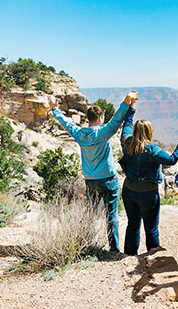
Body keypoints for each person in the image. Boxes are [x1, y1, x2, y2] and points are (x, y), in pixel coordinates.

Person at [48, 92, 137, 252]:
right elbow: (117, 119)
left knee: (90, 213)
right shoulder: (103, 133)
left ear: (88, 118)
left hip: (90, 180)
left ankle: (85, 244)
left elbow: (66, 123)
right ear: (100, 117)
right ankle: (114, 248)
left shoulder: (79, 134)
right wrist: (127, 100)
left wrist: (54, 109)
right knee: (111, 215)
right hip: (108, 179)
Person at [119, 96, 178, 255]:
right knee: (151, 228)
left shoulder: (127, 143)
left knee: (133, 224)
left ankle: (129, 254)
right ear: (149, 132)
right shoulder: (152, 150)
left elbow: (127, 123)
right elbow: (171, 160)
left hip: (129, 191)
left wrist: (132, 107)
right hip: (148, 194)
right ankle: (154, 257)